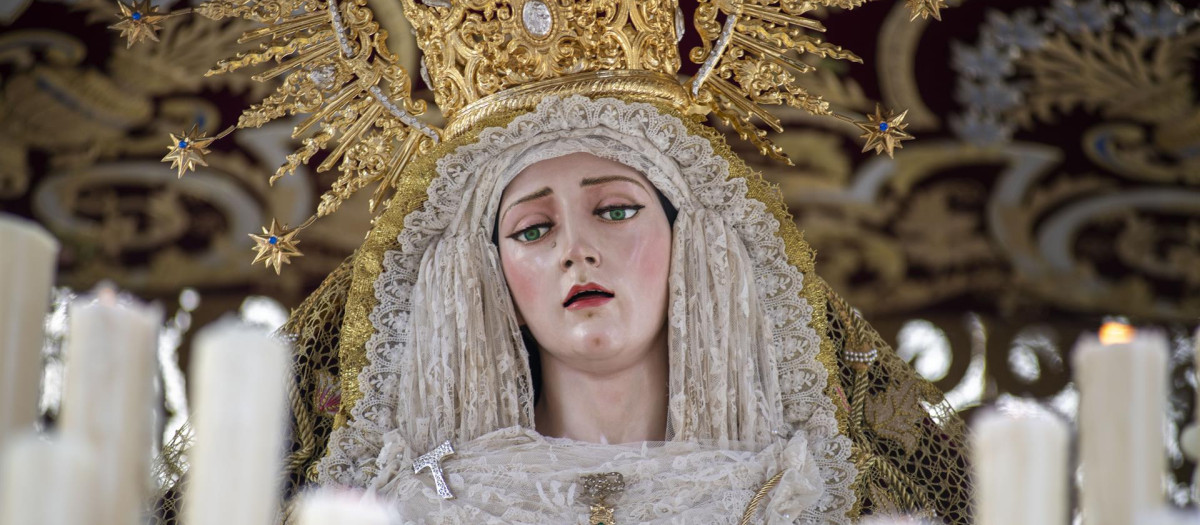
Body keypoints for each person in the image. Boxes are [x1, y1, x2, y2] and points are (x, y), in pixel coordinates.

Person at [144, 0, 971, 521]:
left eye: (616, 209)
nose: (578, 246)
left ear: (699, 245)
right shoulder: (407, 504)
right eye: (532, 230)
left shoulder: (799, 495)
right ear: (485, 274)